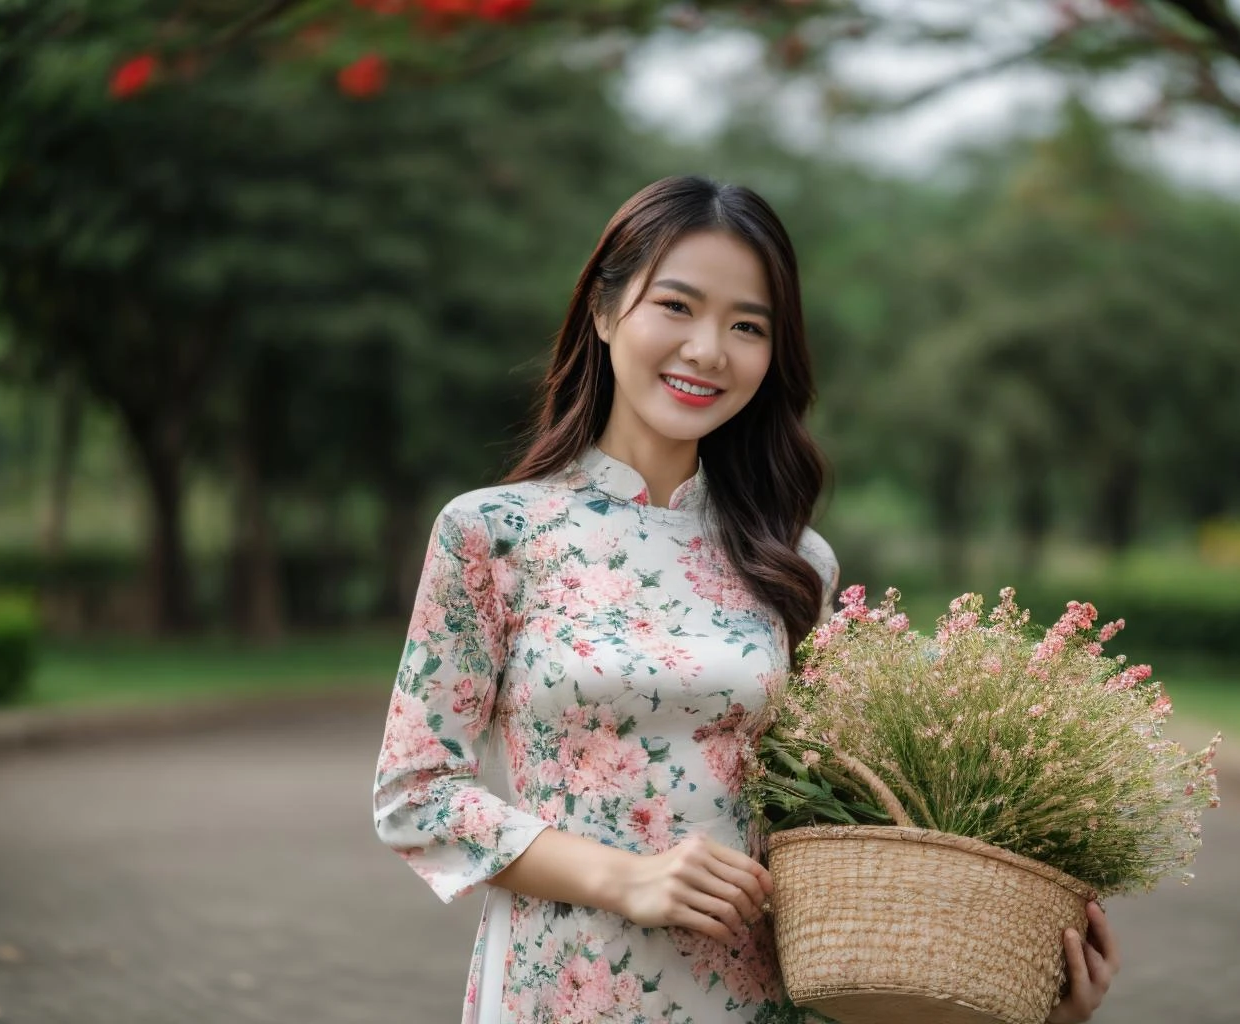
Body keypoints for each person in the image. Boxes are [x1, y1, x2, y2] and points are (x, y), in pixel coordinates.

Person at [371, 175, 1120, 1024]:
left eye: (747, 326)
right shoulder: (494, 533)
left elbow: (843, 813)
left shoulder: (796, 563)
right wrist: (629, 877)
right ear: (606, 313)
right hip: (564, 985)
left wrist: (1013, 979)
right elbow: (418, 793)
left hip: (758, 994)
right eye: (678, 307)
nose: (708, 350)